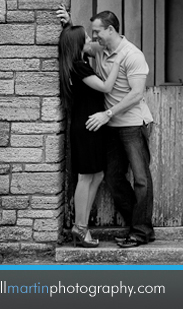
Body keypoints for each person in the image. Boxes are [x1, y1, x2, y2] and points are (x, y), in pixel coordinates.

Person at [57, 5, 155, 248]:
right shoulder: (98, 48)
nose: (93, 37)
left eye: (97, 32)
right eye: (92, 33)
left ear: (110, 30)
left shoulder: (132, 55)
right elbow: (76, 45)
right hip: (106, 125)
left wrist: (107, 113)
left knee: (141, 178)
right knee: (111, 177)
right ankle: (137, 226)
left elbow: (136, 94)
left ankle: (140, 231)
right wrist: (69, 24)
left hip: (131, 123)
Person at [58, 25, 122, 248]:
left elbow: (75, 38)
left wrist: (69, 22)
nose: (90, 39)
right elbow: (106, 86)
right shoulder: (78, 67)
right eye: (85, 37)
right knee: (86, 177)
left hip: (90, 126)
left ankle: (81, 226)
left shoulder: (78, 63)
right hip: (86, 127)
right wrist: (118, 61)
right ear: (78, 44)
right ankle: (80, 227)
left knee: (98, 175)